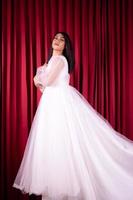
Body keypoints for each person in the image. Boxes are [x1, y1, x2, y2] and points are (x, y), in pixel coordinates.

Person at [12, 32, 133, 200]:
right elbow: (44, 87)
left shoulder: (60, 60)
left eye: (62, 40)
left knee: (59, 145)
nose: (58, 41)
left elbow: (45, 82)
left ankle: (59, 190)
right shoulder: (51, 62)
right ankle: (55, 189)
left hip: (58, 106)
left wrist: (36, 78)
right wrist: (39, 78)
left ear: (65, 47)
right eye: (56, 38)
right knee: (54, 145)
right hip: (51, 105)